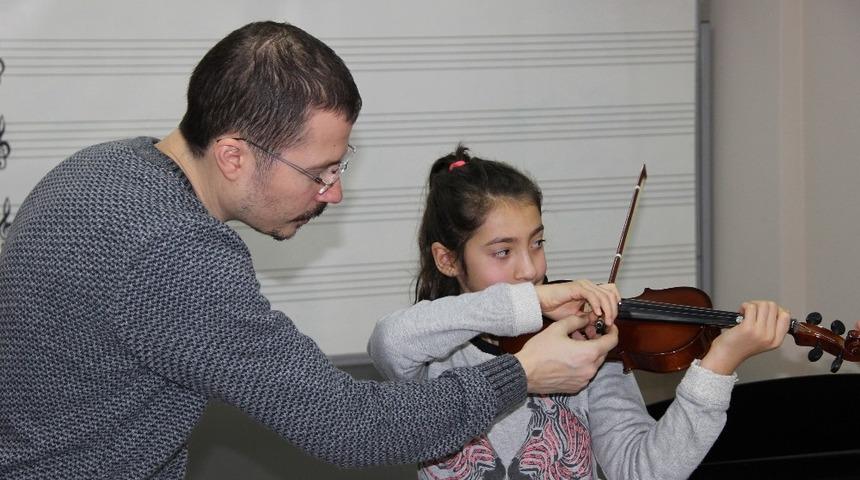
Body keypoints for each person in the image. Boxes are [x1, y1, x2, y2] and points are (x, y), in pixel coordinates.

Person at [0, 22, 622, 479]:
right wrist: (519, 374)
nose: (335, 192)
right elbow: (349, 426)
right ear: (234, 155)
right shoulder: (175, 252)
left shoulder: (106, 166)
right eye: (319, 172)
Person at [368, 145, 793, 480]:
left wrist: (716, 369)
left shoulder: (586, 348)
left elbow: (646, 470)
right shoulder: (436, 356)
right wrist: (528, 302)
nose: (530, 268)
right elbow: (389, 341)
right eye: (502, 251)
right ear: (447, 260)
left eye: (537, 243)